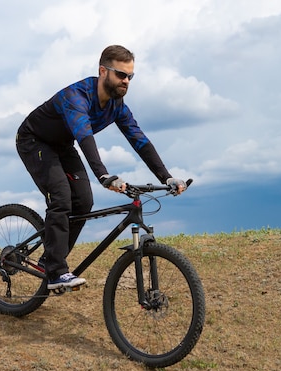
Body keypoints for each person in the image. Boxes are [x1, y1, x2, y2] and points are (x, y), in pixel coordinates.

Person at [16, 45, 186, 290]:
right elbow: (85, 136)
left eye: (130, 76)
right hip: (34, 141)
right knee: (62, 197)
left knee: (84, 202)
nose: (126, 81)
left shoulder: (117, 106)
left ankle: (49, 261)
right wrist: (103, 175)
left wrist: (166, 177)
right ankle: (56, 271)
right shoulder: (76, 97)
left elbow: (139, 140)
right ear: (103, 72)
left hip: (62, 145)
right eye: (121, 74)